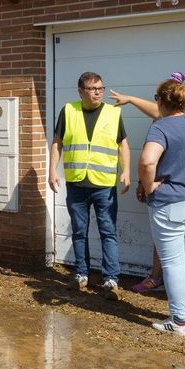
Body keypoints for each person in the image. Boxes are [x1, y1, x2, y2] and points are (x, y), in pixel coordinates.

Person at [123, 74, 185, 336]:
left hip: (171, 203)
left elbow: (147, 162)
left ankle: (179, 321)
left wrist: (149, 186)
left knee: (172, 263)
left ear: (161, 101)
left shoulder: (160, 128)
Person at [49, 71, 131, 297]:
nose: (98, 92)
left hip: (104, 185)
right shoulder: (68, 110)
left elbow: (123, 144)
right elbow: (57, 142)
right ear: (80, 91)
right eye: (93, 89)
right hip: (76, 184)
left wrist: (126, 170)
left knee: (108, 232)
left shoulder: (113, 113)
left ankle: (111, 279)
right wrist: (52, 170)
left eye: (100, 88)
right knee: (79, 231)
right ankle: (81, 274)